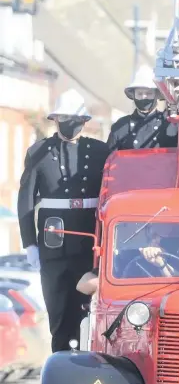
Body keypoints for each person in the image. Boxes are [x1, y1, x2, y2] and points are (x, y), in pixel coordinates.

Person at [17, 89, 110, 352]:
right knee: (58, 316)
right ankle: (60, 364)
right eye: (63, 118)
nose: (68, 124)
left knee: (86, 316)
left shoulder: (101, 152)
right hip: (53, 245)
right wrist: (30, 244)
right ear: (55, 119)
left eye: (74, 118)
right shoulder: (38, 152)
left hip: (88, 246)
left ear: (84, 121)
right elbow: (25, 200)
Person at [107, 65, 179, 152]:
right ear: (133, 95)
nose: (144, 97)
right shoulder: (121, 126)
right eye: (140, 93)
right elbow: (110, 160)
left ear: (156, 95)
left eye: (149, 93)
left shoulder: (170, 124)